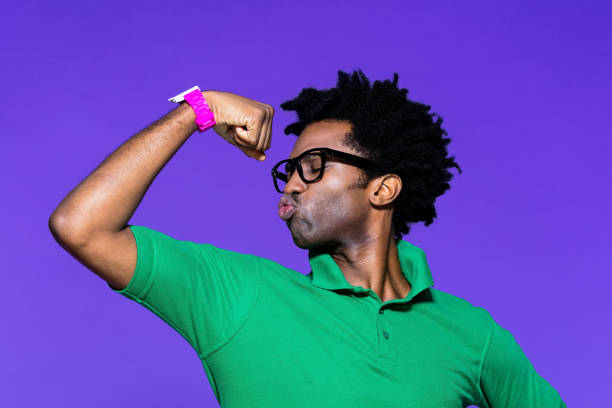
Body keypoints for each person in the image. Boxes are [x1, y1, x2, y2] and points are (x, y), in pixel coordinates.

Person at [48, 70, 566, 407]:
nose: (291, 184)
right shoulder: (240, 296)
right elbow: (82, 226)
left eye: (313, 167)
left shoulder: (472, 335)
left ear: (382, 188)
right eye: (288, 171)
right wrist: (197, 110)